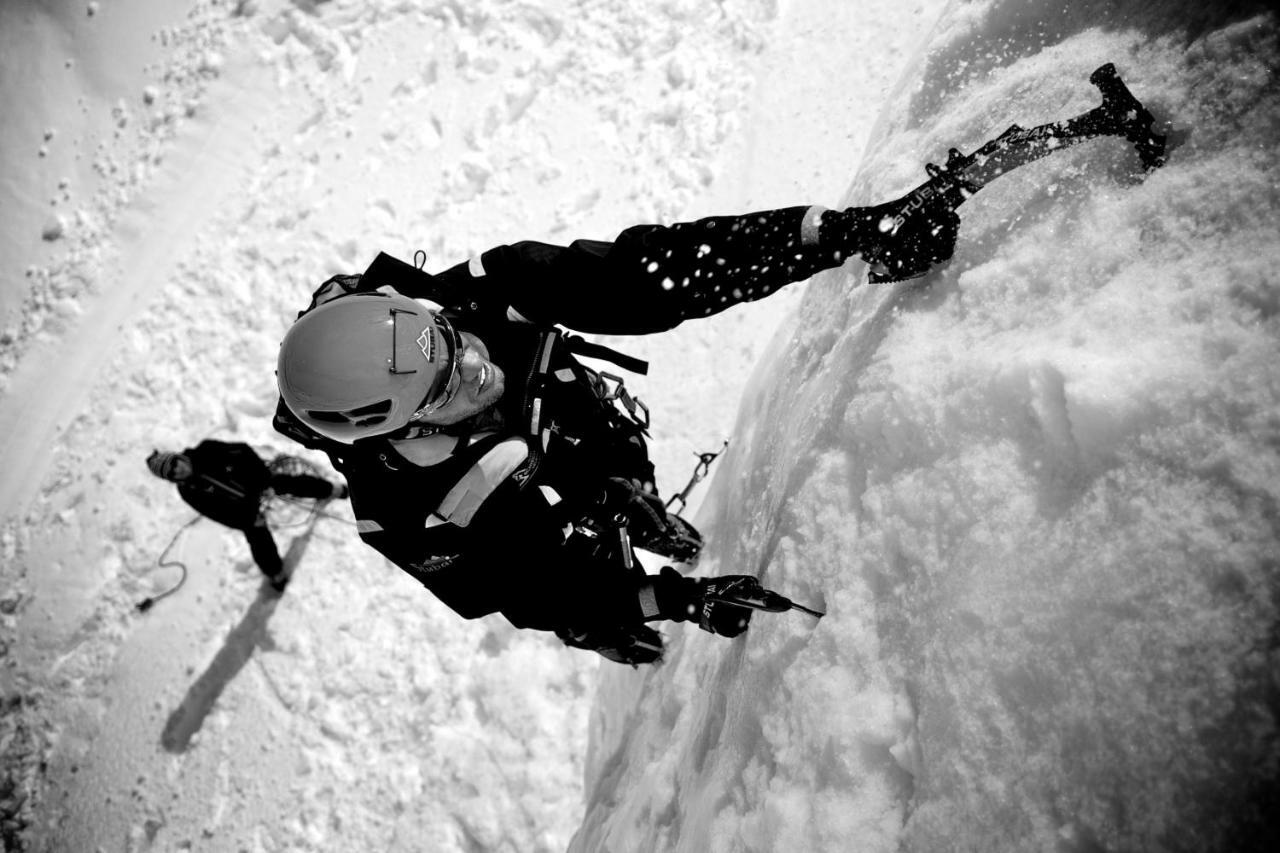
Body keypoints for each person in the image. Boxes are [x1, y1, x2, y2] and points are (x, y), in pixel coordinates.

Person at [274, 196, 959, 662]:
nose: (478, 367)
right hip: (527, 518)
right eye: (446, 386)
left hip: (572, 422)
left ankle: (644, 509)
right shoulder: (405, 513)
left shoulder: (481, 291)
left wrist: (830, 235)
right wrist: (674, 599)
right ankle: (631, 607)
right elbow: (532, 590)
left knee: (621, 468)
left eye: (452, 338)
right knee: (596, 598)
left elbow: (649, 275)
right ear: (398, 430)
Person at [146, 441, 348, 591]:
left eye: (175, 464)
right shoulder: (188, 491)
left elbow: (242, 451)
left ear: (177, 457)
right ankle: (275, 573)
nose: (178, 470)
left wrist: (261, 477)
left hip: (257, 480)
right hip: (243, 510)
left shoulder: (206, 450)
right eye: (172, 474)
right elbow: (218, 513)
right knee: (257, 536)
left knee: (288, 483)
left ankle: (332, 489)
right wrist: (250, 519)